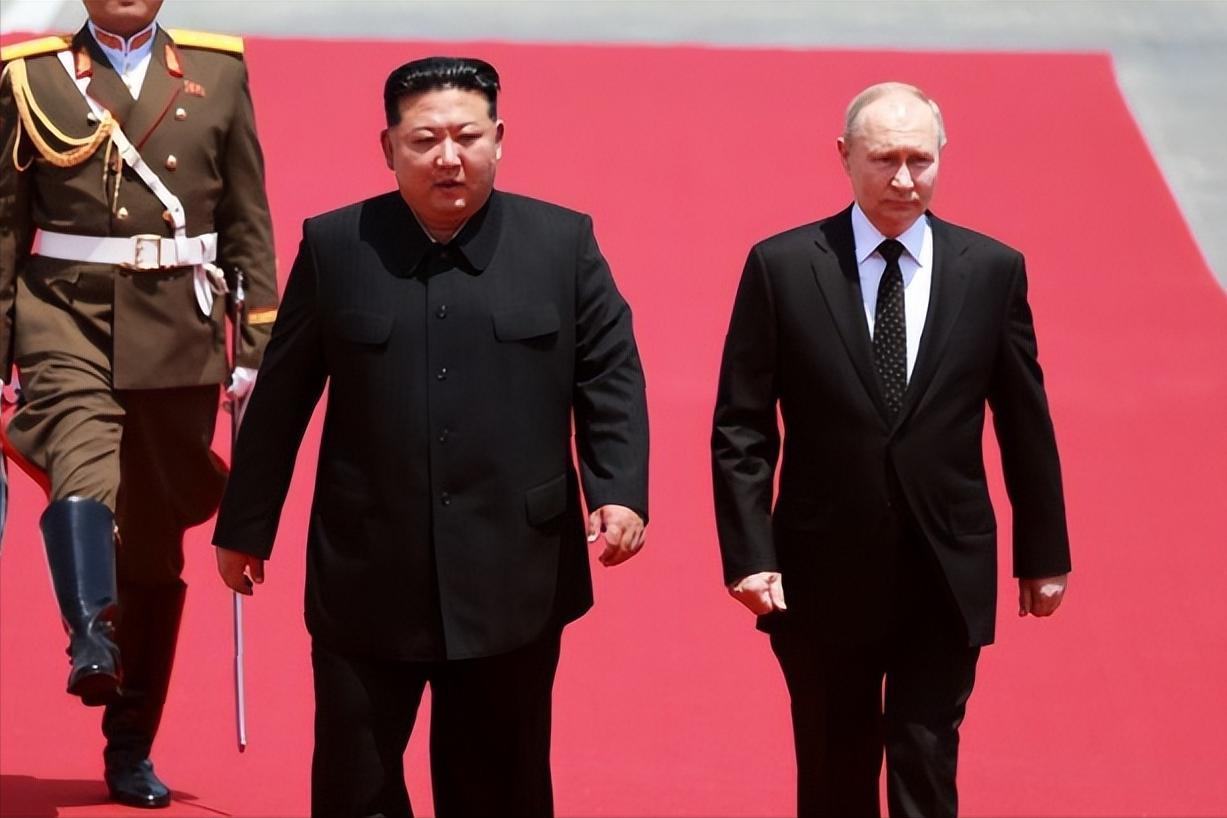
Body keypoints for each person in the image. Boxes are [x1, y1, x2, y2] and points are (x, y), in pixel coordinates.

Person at [211, 56, 649, 818]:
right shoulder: (337, 247)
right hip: (366, 572)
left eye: (467, 136)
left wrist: (617, 490)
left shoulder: (561, 244)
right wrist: (245, 525)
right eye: (424, 140)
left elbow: (609, 372)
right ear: (388, 148)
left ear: (499, 138)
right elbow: (280, 396)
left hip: (514, 574)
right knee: (355, 785)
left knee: (498, 789)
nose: (449, 157)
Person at [711, 82, 1071, 817]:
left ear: (942, 157)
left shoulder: (989, 269)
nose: (903, 180)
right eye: (883, 160)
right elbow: (742, 425)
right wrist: (749, 554)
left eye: (919, 160)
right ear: (844, 157)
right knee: (833, 763)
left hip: (945, 565)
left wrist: (1043, 553)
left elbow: (1024, 420)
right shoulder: (784, 266)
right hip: (820, 570)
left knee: (925, 757)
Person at [0, 0, 278, 808]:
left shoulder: (217, 71)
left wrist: (256, 343)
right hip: (66, 316)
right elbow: (5, 225)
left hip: (178, 332)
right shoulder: (32, 76)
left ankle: (130, 743)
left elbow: (247, 217)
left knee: (155, 551)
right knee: (81, 462)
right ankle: (90, 633)